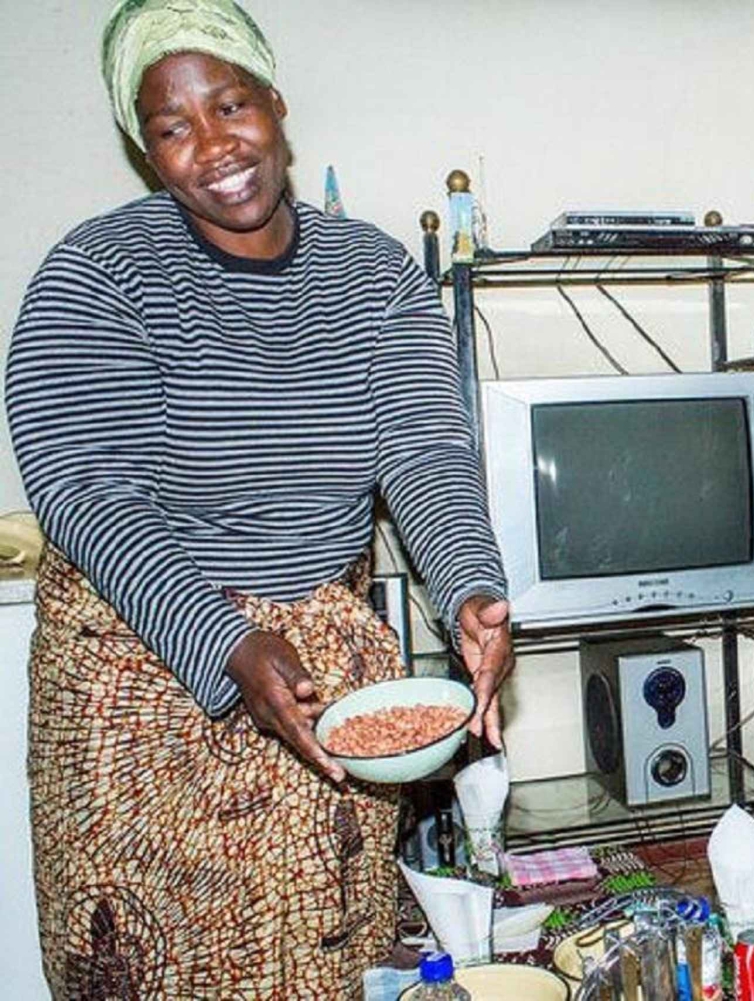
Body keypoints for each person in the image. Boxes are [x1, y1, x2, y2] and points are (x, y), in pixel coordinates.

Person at [4, 1, 513, 996]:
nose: (213, 145)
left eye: (231, 104)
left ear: (277, 104)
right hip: (139, 675)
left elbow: (424, 448)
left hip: (323, 671)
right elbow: (85, 486)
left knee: (323, 955)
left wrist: (468, 589)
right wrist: (226, 639)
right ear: (145, 151)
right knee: (157, 963)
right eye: (172, 127)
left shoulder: (371, 272)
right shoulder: (98, 273)